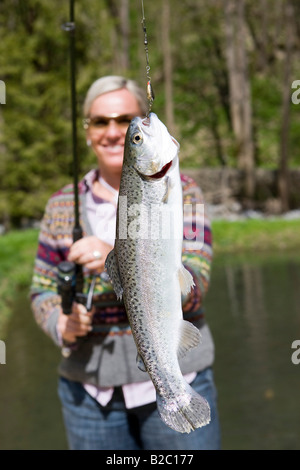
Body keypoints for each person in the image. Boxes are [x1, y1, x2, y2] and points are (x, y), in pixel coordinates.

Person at [30, 75, 221, 450]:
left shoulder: (186, 190)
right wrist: (59, 323)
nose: (114, 131)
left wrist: (116, 257)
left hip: (183, 372)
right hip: (89, 394)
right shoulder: (60, 204)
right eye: (101, 121)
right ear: (87, 131)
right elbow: (41, 289)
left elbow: (197, 283)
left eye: (126, 120)